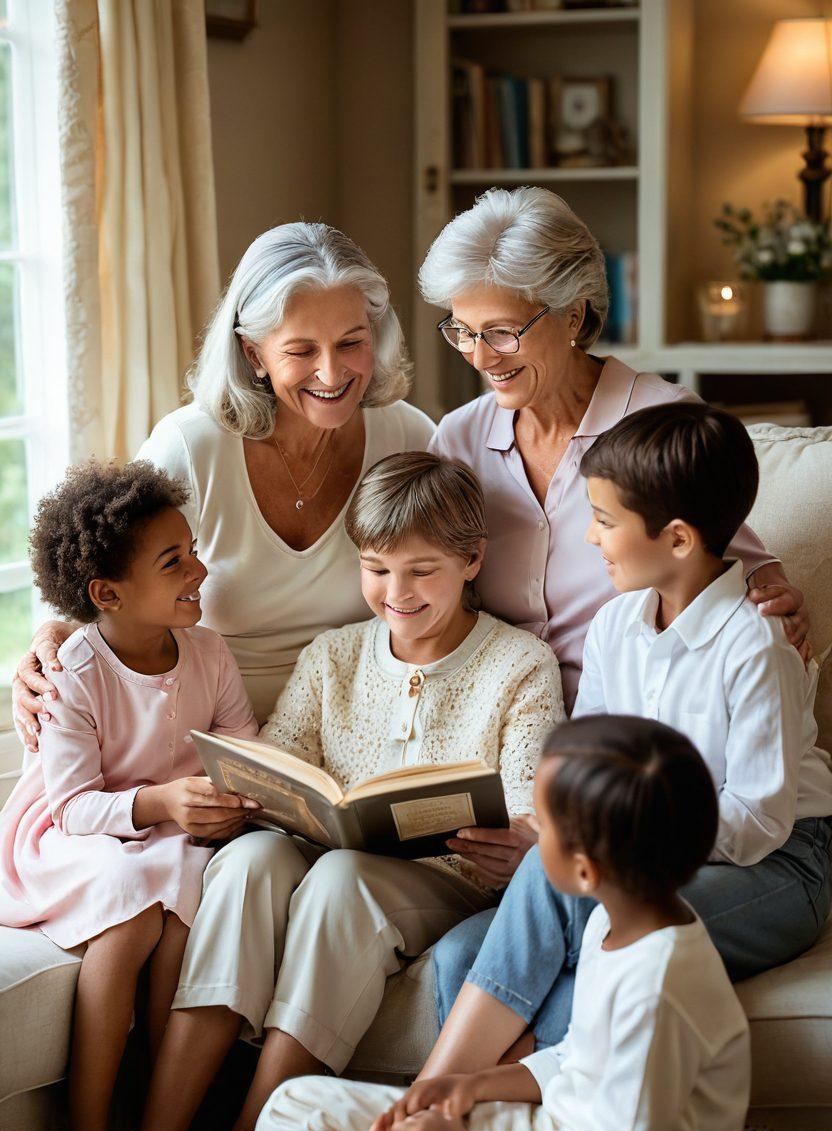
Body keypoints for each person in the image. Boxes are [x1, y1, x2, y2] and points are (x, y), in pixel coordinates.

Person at [118, 452, 563, 1131]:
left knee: (340, 881)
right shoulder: (334, 655)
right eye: (376, 569)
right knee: (254, 861)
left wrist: (517, 842)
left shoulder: (520, 663)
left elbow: (526, 806)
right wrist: (253, 796)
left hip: (448, 885)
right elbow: (282, 759)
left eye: (421, 571)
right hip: (324, 857)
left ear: (471, 560)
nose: (397, 594)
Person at [423, 403, 832, 1081]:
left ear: (676, 539)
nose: (589, 538)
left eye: (606, 521)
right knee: (458, 955)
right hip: (650, 849)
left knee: (588, 932)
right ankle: (482, 1118)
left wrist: (620, 836)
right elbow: (593, 766)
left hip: (781, 864)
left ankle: (438, 1100)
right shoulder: (615, 627)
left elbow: (759, 822)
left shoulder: (757, 645)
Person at [420, 186, 807, 893]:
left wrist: (777, 594)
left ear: (572, 314)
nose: (481, 356)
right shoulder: (459, 439)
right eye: (463, 331)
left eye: (502, 331)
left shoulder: (659, 422)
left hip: (632, 766)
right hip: (507, 750)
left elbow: (734, 568)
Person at [253, 716, 751, 1131]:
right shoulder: (613, 921)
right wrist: (472, 1084)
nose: (530, 832)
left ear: (584, 870)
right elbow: (579, 1058)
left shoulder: (659, 988)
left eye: (542, 824)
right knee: (290, 1112)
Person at [12, 221, 435, 735]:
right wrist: (54, 639)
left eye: (351, 343)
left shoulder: (409, 438)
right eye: (302, 351)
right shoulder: (192, 447)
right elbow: (115, 586)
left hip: (363, 728)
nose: (332, 373)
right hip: (200, 735)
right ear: (253, 353)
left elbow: (455, 590)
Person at [0, 462, 260, 1131]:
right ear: (107, 595)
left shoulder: (208, 653)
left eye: (193, 549)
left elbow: (245, 750)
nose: (200, 569)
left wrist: (236, 800)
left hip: (163, 835)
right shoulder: (77, 671)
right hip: (66, 835)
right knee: (133, 898)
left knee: (183, 888)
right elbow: (74, 804)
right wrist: (159, 802)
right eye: (173, 561)